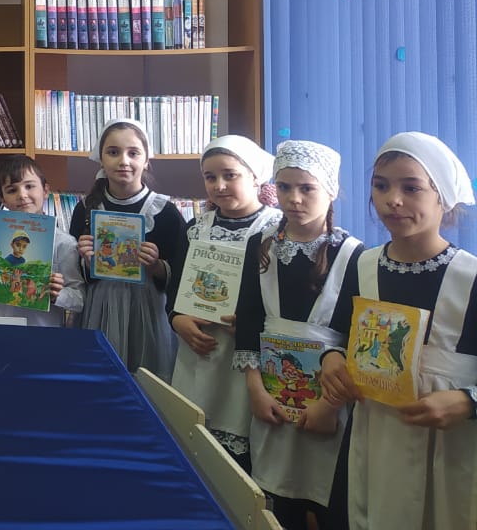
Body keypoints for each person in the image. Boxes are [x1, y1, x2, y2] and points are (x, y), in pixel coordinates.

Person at [321, 133, 477, 530]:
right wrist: (332, 359)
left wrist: (468, 401)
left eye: (411, 188)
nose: (393, 199)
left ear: (443, 197)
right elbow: (338, 337)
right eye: (381, 185)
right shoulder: (363, 265)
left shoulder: (471, 277)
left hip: (450, 445)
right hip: (375, 435)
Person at [234, 140, 363, 530]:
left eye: (307, 188)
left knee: (329, 498)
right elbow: (249, 320)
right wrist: (255, 389)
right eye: (285, 187)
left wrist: (330, 405)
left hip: (330, 403)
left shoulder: (355, 255)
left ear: (330, 191)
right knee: (277, 499)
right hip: (271, 394)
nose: (294, 198)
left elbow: (355, 337)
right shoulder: (260, 246)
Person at [171, 135, 284, 470]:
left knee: (241, 456)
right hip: (199, 352)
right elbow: (175, 288)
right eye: (210, 177)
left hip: (250, 359)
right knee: (194, 450)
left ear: (255, 177)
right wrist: (177, 319)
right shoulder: (195, 228)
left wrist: (251, 324)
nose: (219, 185)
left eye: (230, 175)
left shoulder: (276, 229)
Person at [71, 119, 188, 378]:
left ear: (146, 160)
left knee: (147, 382)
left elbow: (181, 274)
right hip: (100, 307)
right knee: (101, 377)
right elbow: (74, 275)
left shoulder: (165, 212)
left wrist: (156, 266)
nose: (123, 161)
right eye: (113, 152)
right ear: (101, 159)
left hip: (148, 311)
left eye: (133, 153)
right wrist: (86, 261)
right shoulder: (86, 209)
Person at [0, 156, 85, 327]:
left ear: (45, 190)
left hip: (43, 336)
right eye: (12, 190)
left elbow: (79, 299)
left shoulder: (64, 243)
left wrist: (57, 294)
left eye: (29, 186)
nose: (22, 195)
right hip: (3, 331)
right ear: (2, 199)